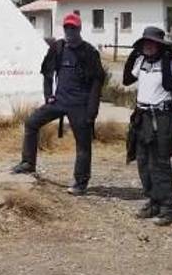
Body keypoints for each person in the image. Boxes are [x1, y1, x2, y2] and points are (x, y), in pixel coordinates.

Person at [11, 12, 105, 194]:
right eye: (67, 27)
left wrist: (92, 111)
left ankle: (81, 183)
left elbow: (97, 82)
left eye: (73, 28)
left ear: (79, 29)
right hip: (59, 101)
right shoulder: (58, 48)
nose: (69, 31)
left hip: (80, 104)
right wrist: (49, 96)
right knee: (31, 123)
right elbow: (47, 72)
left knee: (83, 144)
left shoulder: (89, 52)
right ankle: (28, 163)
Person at [123, 26, 172, 225]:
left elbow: (169, 85)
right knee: (142, 159)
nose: (148, 47)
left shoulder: (171, 62)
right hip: (142, 116)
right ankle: (153, 200)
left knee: (160, 161)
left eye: (152, 43)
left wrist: (166, 60)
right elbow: (126, 80)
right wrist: (134, 54)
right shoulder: (141, 61)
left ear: (159, 45)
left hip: (162, 117)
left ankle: (168, 206)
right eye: (145, 43)